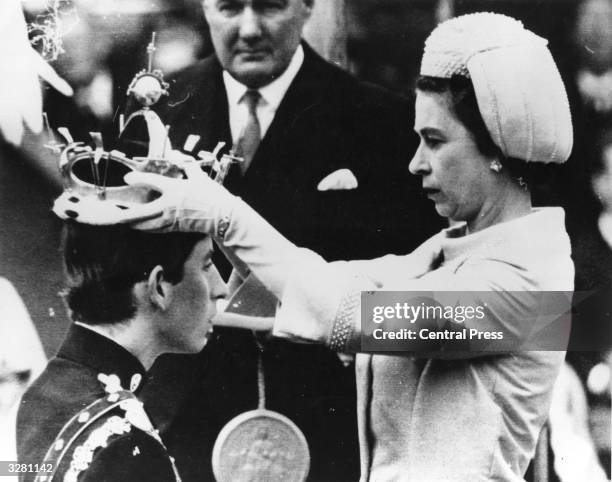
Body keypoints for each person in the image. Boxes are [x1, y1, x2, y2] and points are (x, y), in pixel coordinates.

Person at [124, 12, 575, 481]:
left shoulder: (531, 282)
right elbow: (319, 284)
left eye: (435, 141)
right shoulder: (450, 251)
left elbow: (353, 315)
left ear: (498, 148)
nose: (415, 163)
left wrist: (223, 213)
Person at [136, 0, 441, 480]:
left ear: (306, 7)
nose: (250, 28)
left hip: (322, 415)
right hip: (182, 413)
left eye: (272, 6)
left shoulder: (379, 120)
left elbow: (409, 287)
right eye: (230, 7)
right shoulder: (155, 107)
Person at [17, 219, 227, 481]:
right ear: (159, 287)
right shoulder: (128, 449)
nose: (222, 288)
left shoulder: (38, 396)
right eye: (206, 265)